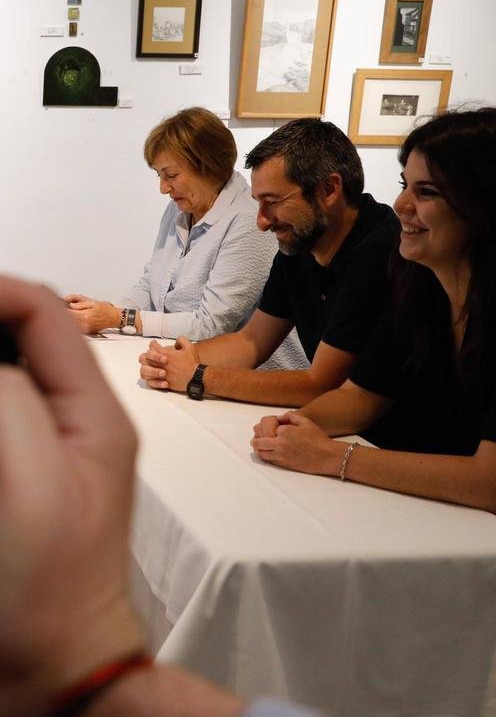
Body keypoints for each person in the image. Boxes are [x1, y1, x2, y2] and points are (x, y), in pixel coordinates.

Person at [0, 274, 342, 717]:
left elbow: (226, 329)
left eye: (418, 188)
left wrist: (182, 361)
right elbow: (226, 327)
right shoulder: (236, 238)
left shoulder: (363, 253)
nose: (262, 218)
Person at [251, 108, 496, 513]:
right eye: (405, 185)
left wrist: (336, 458)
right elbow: (361, 394)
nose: (401, 204)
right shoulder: (418, 282)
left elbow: (488, 481)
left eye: (426, 192)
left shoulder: (384, 259)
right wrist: (295, 424)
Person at [139, 118, 401, 408]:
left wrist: (199, 375)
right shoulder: (302, 242)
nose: (261, 222)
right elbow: (251, 341)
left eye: (272, 202)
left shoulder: (379, 252)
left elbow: (323, 383)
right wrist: (167, 360)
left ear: (328, 190)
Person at [66, 108, 303, 372]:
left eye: (171, 175)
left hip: (255, 379)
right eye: (160, 176)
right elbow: (152, 283)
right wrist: (101, 313)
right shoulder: (180, 209)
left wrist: (121, 318)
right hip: (191, 363)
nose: (163, 188)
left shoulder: (247, 221)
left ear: (208, 166)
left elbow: (210, 325)